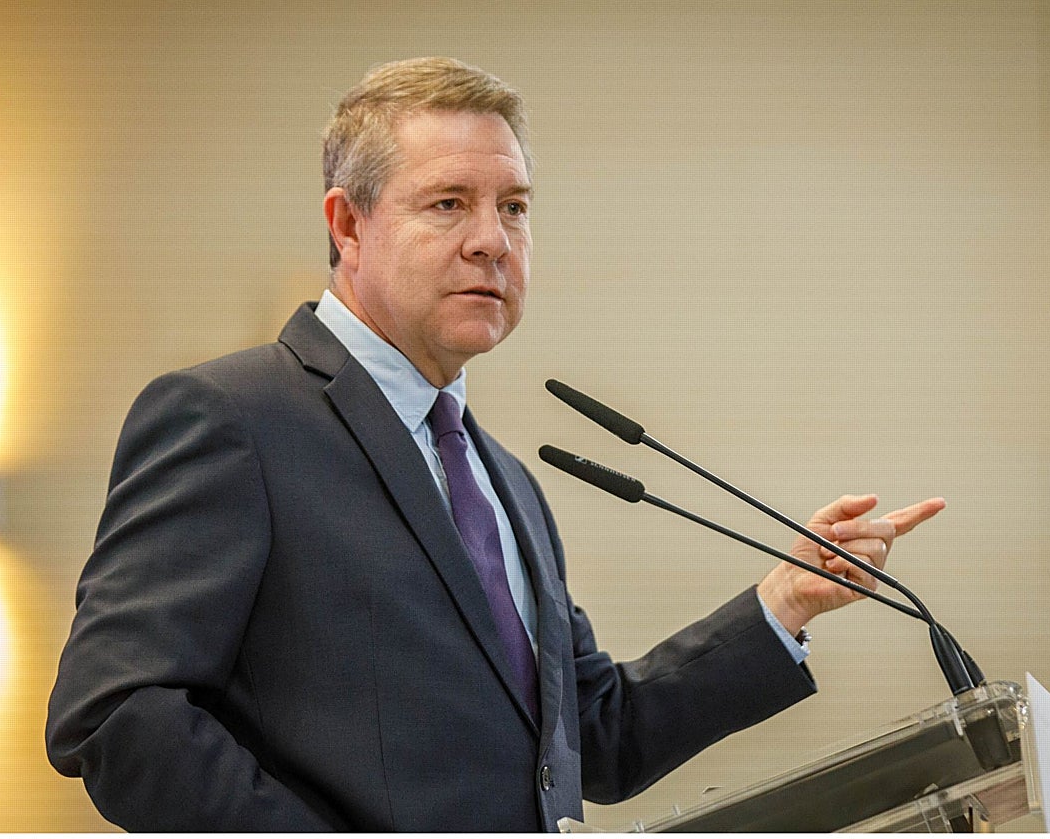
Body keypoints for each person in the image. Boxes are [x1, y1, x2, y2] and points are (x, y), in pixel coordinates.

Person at [46, 57, 945, 831]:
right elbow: (118, 713)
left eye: (514, 208)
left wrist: (782, 603)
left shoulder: (502, 478)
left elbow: (592, 736)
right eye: (448, 203)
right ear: (347, 224)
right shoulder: (231, 419)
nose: (492, 241)